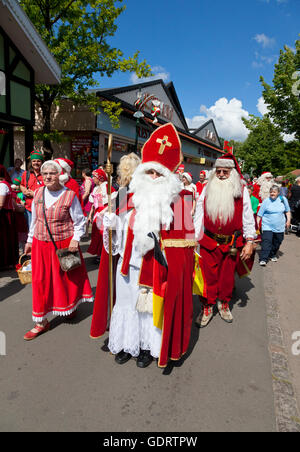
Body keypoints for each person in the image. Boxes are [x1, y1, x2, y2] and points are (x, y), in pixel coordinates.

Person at [91, 123, 195, 369]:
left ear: (169, 176)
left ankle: (148, 348)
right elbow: (113, 232)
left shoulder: (180, 203)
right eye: (150, 172)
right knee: (127, 304)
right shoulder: (127, 194)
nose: (154, 177)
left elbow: (186, 247)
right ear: (142, 173)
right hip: (127, 266)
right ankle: (127, 344)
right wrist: (108, 222)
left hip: (157, 268)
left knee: (149, 311)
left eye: (159, 174)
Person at [23, 160, 94, 340]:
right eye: (45, 173)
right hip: (40, 244)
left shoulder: (69, 195)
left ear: (59, 175)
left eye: (52, 173)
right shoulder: (38, 192)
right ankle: (42, 322)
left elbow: (79, 221)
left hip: (63, 244)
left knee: (65, 279)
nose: (47, 176)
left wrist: (76, 239)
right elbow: (35, 221)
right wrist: (30, 241)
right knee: (40, 281)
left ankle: (69, 307)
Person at [194, 153, 256, 328]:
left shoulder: (241, 190)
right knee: (207, 277)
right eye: (218, 171)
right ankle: (207, 306)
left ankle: (223, 303)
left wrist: (250, 241)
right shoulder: (207, 188)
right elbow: (199, 212)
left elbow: (247, 215)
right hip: (208, 241)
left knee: (227, 278)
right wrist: (194, 238)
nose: (221, 174)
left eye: (225, 172)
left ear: (232, 173)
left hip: (231, 243)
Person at [257, 185, 291, 266]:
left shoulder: (283, 200)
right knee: (266, 241)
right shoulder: (266, 201)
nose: (272, 194)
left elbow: (287, 211)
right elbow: (259, 215)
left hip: (279, 226)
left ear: (278, 193)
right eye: (271, 192)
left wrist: (288, 220)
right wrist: (257, 225)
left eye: (274, 192)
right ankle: (263, 259)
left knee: (278, 241)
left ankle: (272, 254)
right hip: (267, 225)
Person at [87, 168, 115, 262]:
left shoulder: (107, 187)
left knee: (103, 235)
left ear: (100, 178)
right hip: (97, 214)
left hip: (104, 214)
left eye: (94, 176)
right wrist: (90, 215)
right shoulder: (95, 189)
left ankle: (103, 255)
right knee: (96, 234)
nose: (92, 178)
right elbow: (93, 205)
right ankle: (99, 254)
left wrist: (104, 212)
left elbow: (112, 202)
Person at [0, 165, 19, 270]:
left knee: (4, 239)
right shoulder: (4, 184)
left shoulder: (2, 185)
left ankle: (5, 262)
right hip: (6, 214)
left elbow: (0, 204)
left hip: (4, 215)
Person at [20, 150, 44, 228]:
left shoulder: (46, 174)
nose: (36, 163)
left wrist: (34, 194)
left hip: (42, 207)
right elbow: (22, 185)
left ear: (42, 162)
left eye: (38, 161)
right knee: (31, 230)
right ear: (31, 162)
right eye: (34, 161)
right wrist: (24, 191)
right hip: (29, 207)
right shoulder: (26, 174)